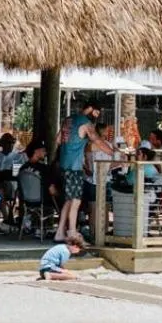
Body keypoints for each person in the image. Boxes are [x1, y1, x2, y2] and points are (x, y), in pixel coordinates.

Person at [55, 99, 102, 242]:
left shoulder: (68, 120)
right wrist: (112, 152)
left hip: (64, 165)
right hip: (74, 167)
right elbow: (97, 141)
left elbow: (57, 140)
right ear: (90, 109)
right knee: (75, 201)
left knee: (68, 201)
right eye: (96, 112)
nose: (96, 116)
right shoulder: (84, 122)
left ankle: (59, 233)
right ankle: (72, 233)